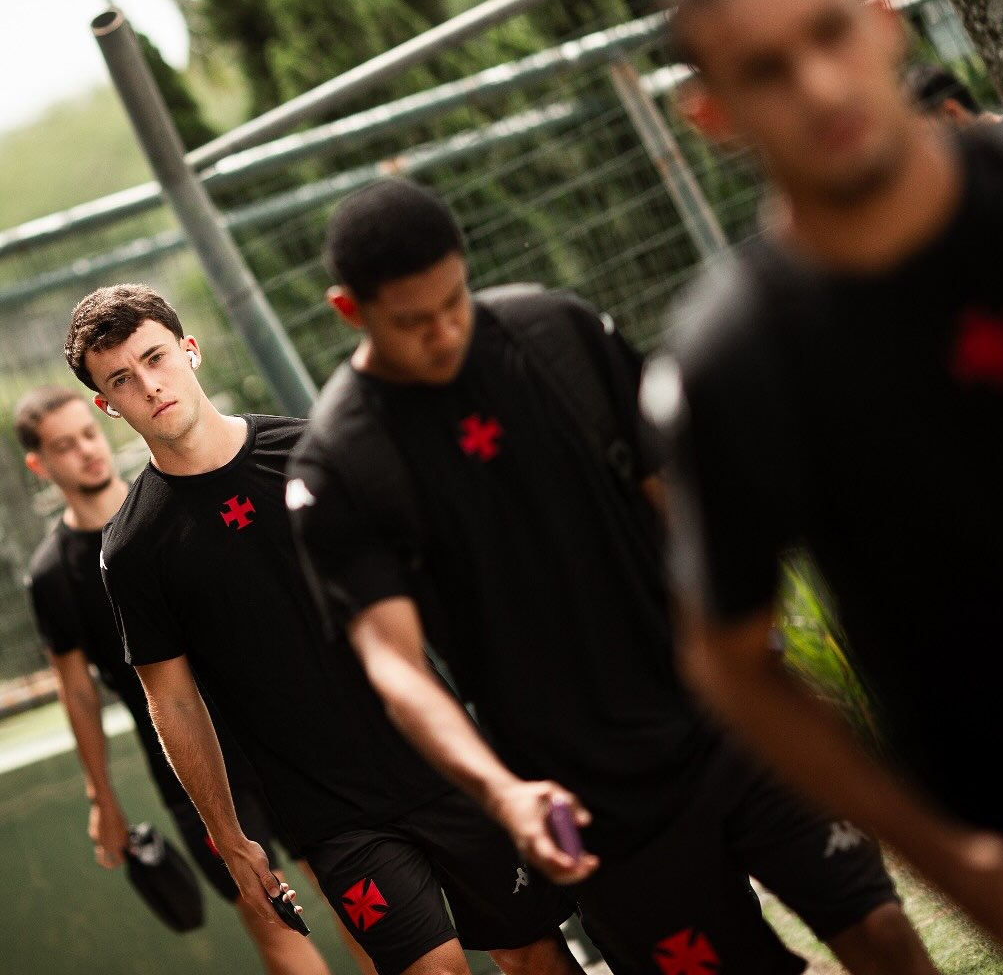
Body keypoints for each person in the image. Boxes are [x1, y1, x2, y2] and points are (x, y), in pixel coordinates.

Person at [286, 178, 937, 975]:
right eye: (412, 322)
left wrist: (758, 648)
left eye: (454, 300)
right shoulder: (343, 461)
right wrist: (501, 792)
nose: (445, 331)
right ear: (349, 311)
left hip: (729, 718)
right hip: (593, 802)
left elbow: (679, 504)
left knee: (880, 927)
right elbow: (396, 667)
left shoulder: (554, 333)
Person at [648, 0, 1003, 959]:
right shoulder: (732, 364)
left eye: (828, 33)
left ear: (881, 20)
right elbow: (729, 658)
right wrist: (959, 864)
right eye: (766, 70)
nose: (818, 86)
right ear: (711, 114)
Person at [63, 284, 579, 975]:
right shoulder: (133, 549)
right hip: (333, 818)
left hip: (440, 759)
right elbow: (173, 702)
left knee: (533, 955)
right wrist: (229, 837)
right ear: (107, 405)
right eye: (122, 379)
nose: (149, 385)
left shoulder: (312, 451)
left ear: (190, 351)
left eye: (155, 357)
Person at [17, 384, 333, 975]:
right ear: (40, 465)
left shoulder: (169, 506)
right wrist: (102, 799)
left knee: (349, 889)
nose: (87, 451)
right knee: (270, 917)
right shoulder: (53, 575)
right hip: (190, 773)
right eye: (64, 446)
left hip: (269, 734)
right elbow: (77, 692)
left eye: (88, 434)